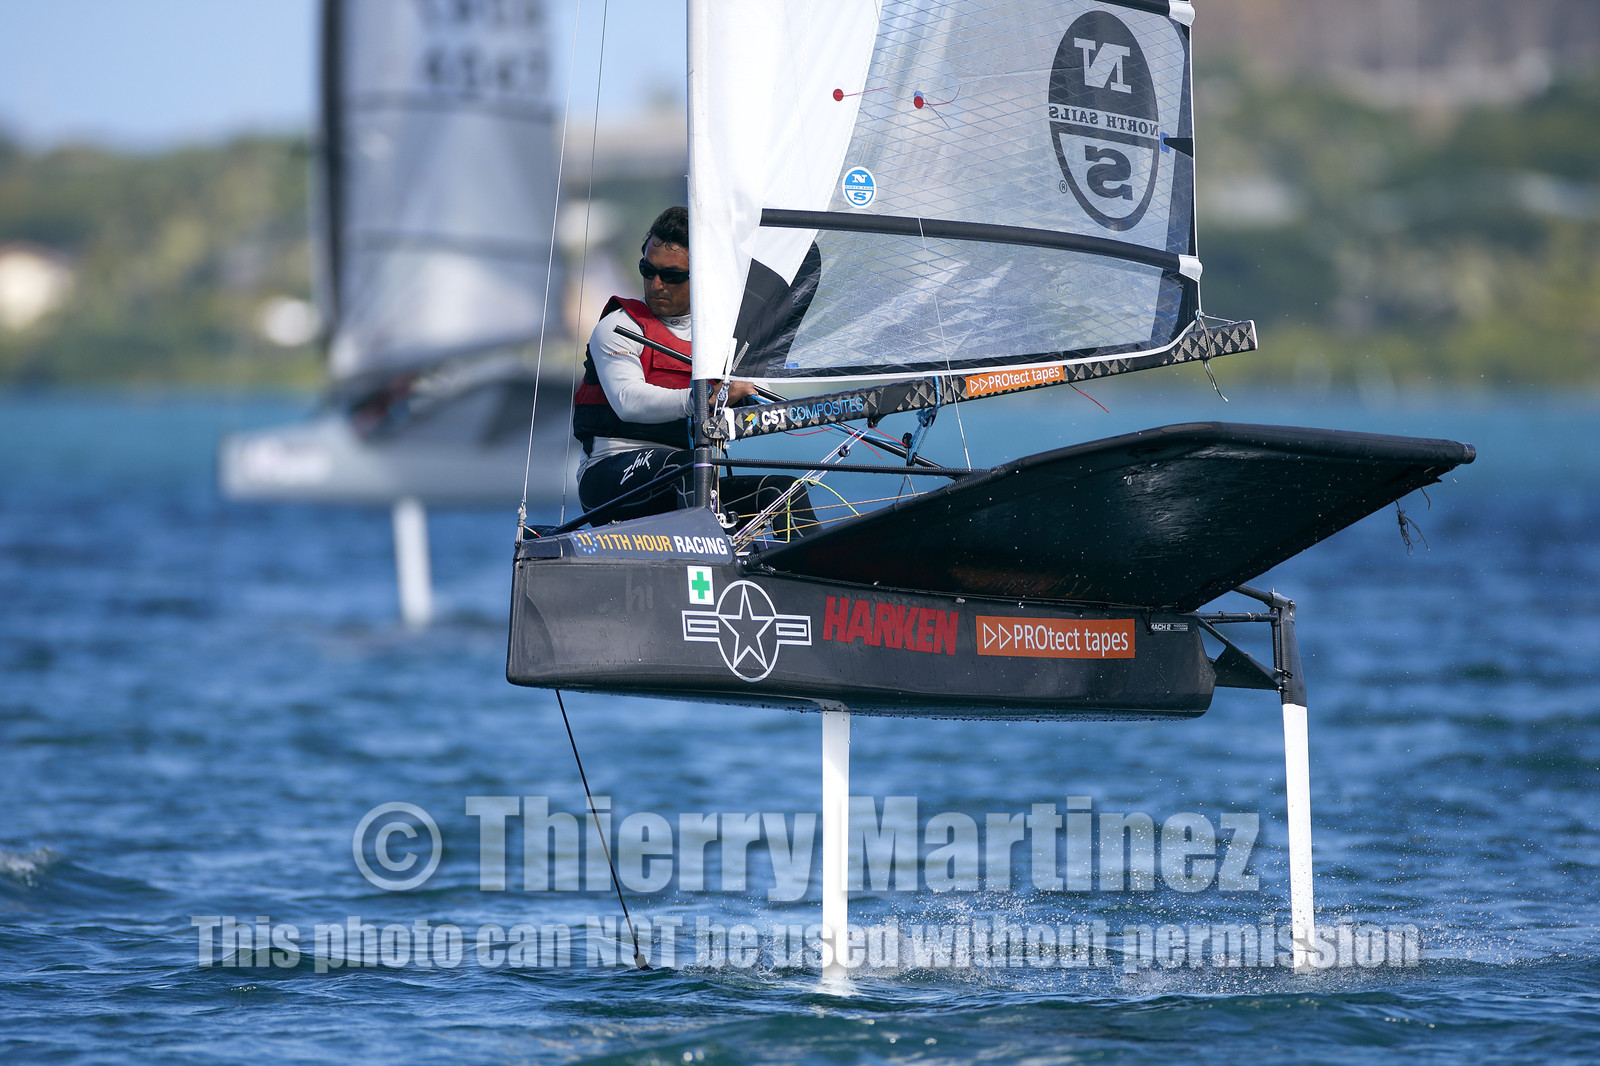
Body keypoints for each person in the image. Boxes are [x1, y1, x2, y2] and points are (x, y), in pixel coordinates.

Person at [573, 206, 816, 537]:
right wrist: (706, 398)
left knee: (783, 492)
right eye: (648, 270)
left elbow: (753, 401)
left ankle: (816, 565)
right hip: (609, 478)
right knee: (691, 466)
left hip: (690, 475)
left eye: (671, 276)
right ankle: (710, 551)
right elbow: (627, 400)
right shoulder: (619, 327)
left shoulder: (723, 340)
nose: (656, 284)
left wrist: (748, 400)